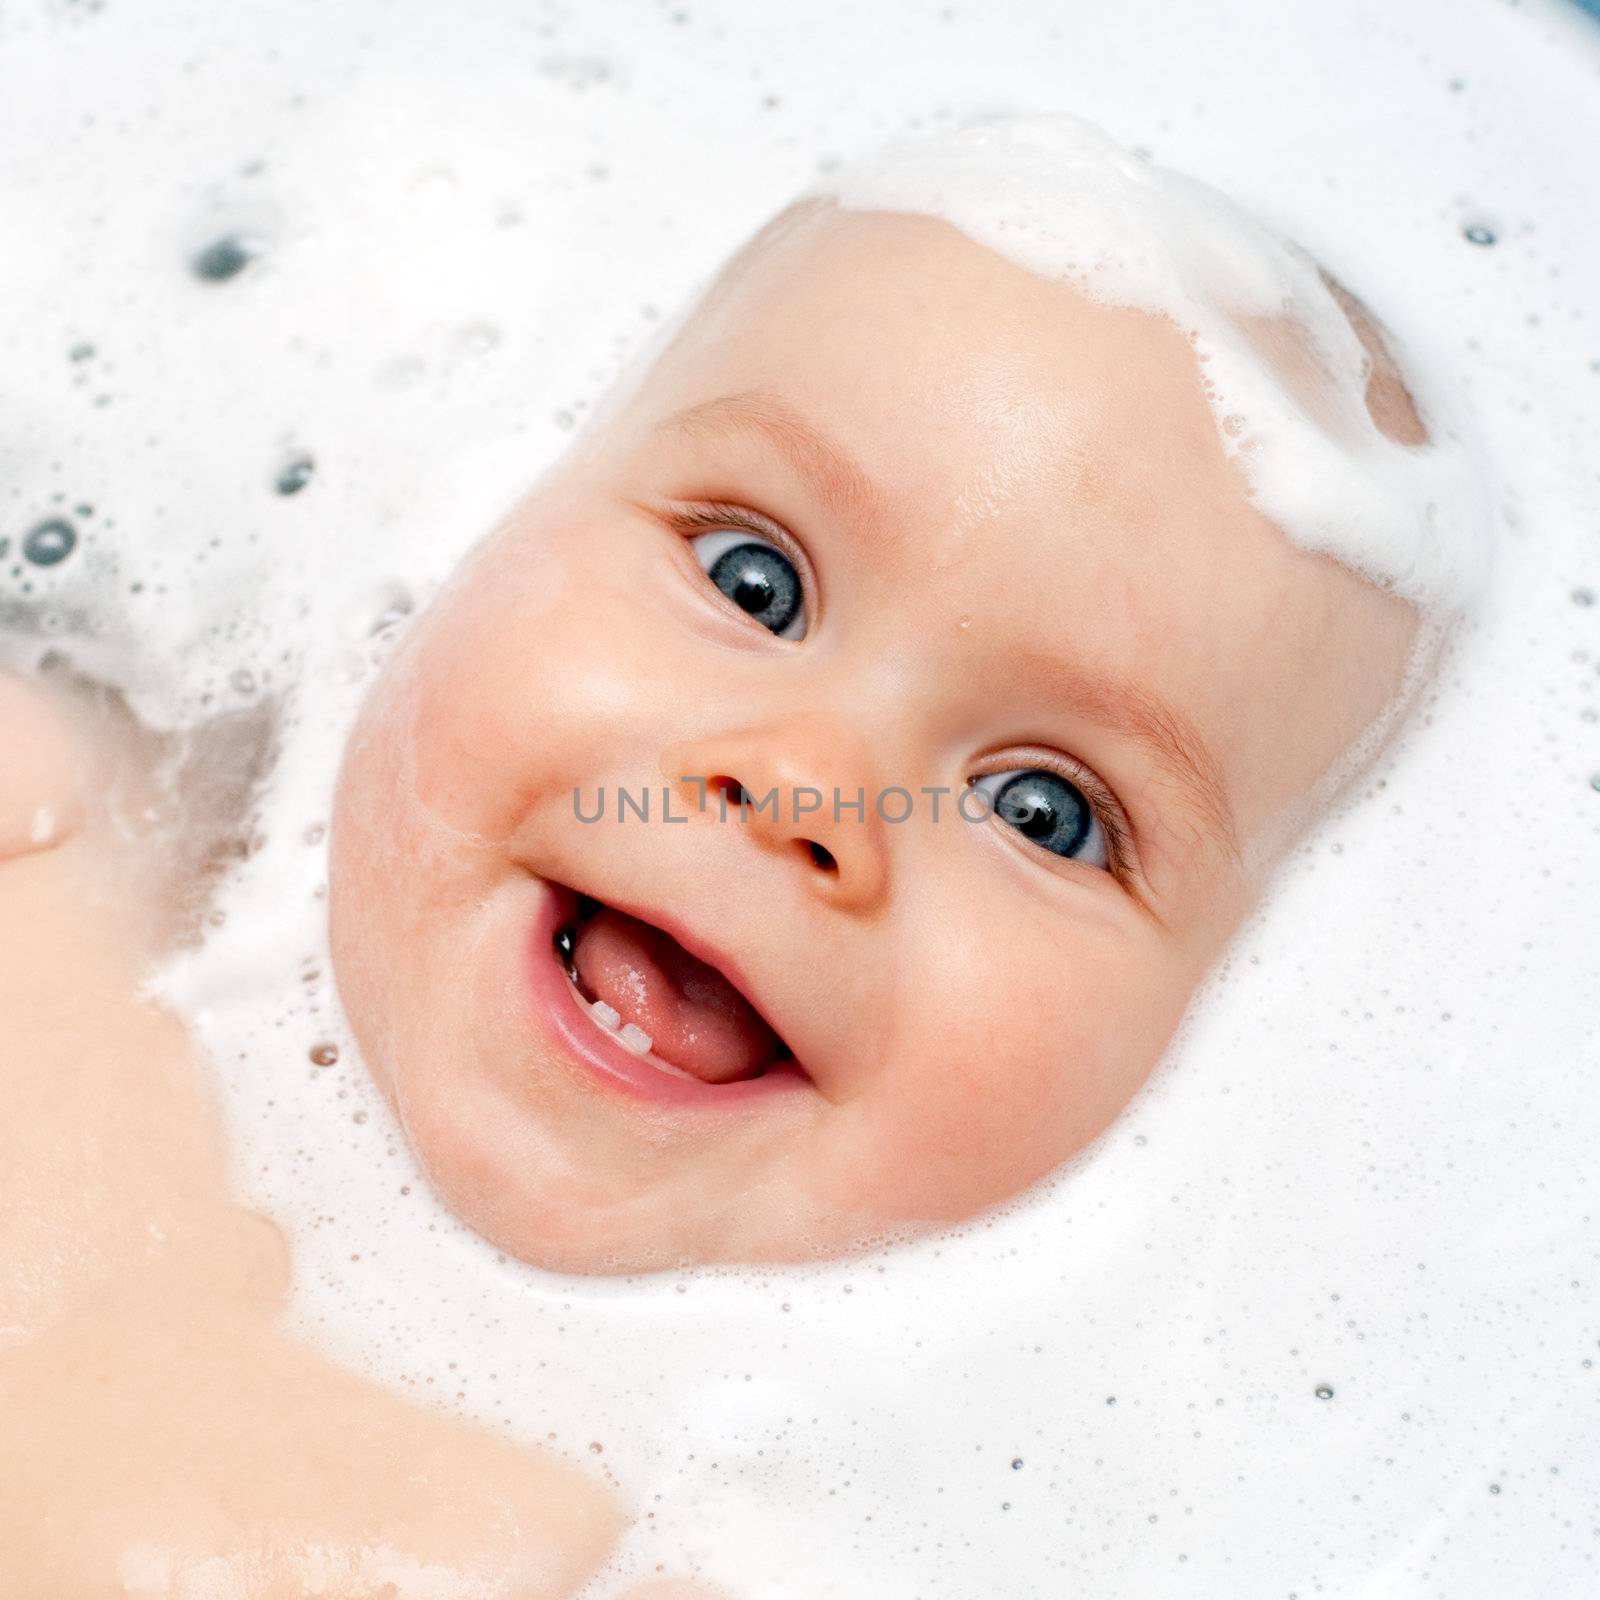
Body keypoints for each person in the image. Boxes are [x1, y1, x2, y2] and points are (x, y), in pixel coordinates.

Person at [327, 121, 1470, 1273]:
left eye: (1041, 810)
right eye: (752, 582)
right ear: (498, 505)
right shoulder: (145, 839)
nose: (808, 790)